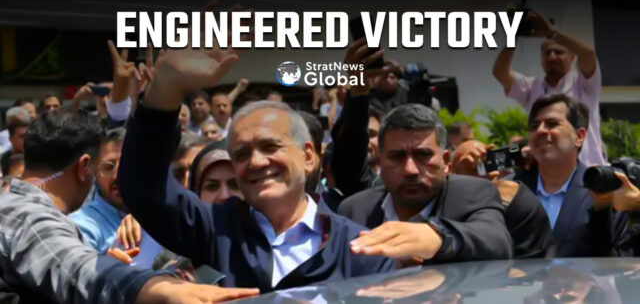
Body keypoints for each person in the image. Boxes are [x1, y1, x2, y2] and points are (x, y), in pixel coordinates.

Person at [118, 44, 395, 293]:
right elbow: (145, 188)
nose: (256, 162)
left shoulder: (362, 250)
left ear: (308, 157)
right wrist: (165, 89)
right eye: (241, 154)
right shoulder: (215, 230)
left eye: (270, 147)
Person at [0, 107, 258, 303]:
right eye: (105, 165)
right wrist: (160, 289)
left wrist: (102, 262)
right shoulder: (26, 215)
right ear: (84, 167)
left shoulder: (12, 202)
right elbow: (72, 268)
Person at [339, 104, 513, 263]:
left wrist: (437, 238)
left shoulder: (473, 193)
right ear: (381, 162)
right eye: (397, 157)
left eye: (423, 155)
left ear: (446, 162)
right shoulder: (355, 211)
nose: (410, 170)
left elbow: (497, 241)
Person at [515, 94, 628, 257]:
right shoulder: (511, 191)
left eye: (552, 124)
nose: (540, 130)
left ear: (580, 136)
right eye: (534, 126)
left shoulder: (604, 191)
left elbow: (616, 261)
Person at [493, 11, 605, 165]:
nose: (552, 57)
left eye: (558, 52)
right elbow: (500, 72)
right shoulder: (532, 88)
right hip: (549, 176)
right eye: (547, 53)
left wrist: (552, 33)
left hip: (589, 171)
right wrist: (514, 35)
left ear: (572, 57)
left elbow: (588, 53)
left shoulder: (584, 83)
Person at [69, 128, 162, 266]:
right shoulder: (82, 225)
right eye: (108, 167)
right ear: (95, 172)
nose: (118, 175)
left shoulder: (162, 211)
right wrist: (104, 268)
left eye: (128, 164)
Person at [450, 139, 555, 258]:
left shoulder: (519, 203)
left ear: (495, 171)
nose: (477, 167)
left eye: (484, 163)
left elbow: (535, 261)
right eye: (468, 167)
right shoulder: (443, 202)